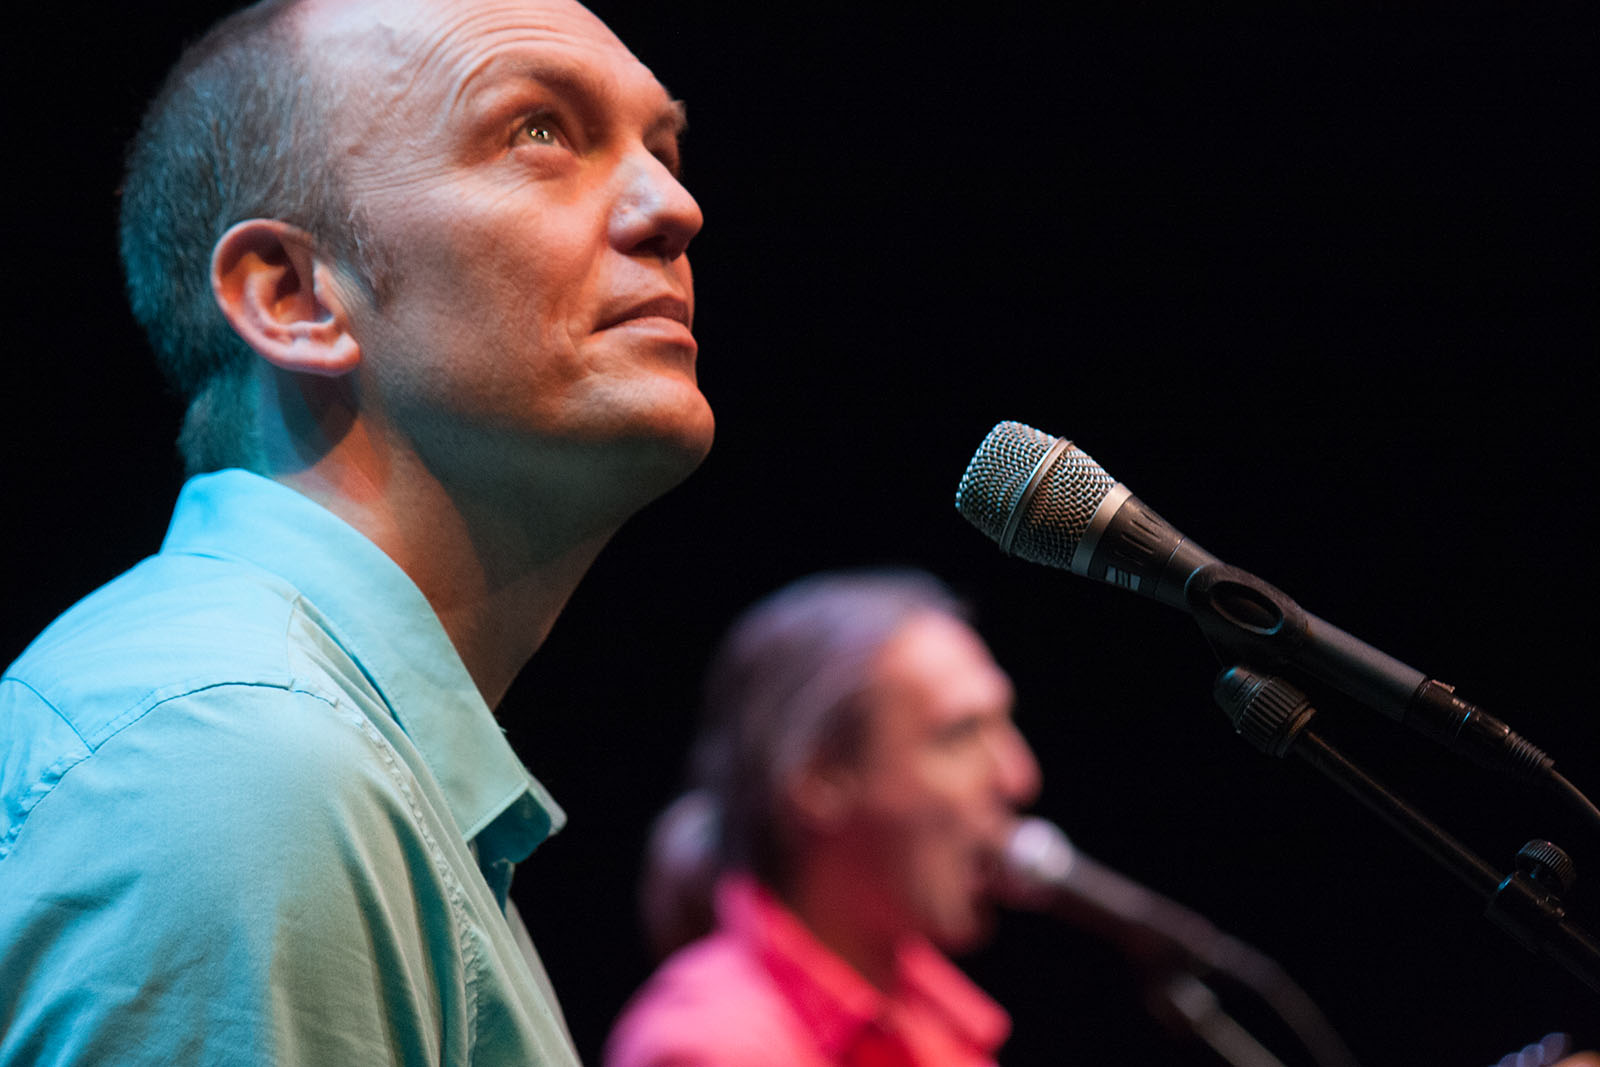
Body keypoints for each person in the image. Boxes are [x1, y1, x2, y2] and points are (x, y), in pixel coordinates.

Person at [0, 0, 709, 1063]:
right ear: (293, 296)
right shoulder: (240, 762)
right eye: (539, 131)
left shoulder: (312, 755)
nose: (674, 207)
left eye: (663, 148)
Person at [604, 570, 1042, 1067]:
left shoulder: (942, 1025)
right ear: (821, 776)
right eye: (960, 734)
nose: (1019, 778)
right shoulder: (713, 1046)